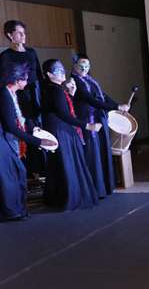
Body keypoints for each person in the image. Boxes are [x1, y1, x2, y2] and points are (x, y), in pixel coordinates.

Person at [41, 59, 100, 211]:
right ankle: (69, 197)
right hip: (61, 130)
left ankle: (58, 197)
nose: (62, 73)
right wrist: (87, 125)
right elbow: (64, 114)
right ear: (49, 74)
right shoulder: (55, 90)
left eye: (62, 69)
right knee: (66, 163)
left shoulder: (51, 88)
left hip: (58, 128)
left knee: (60, 164)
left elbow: (62, 110)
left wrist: (71, 94)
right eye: (58, 70)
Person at [0, 63, 54, 220]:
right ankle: (11, 212)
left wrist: (32, 130)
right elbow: (11, 126)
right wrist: (38, 141)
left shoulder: (11, 93)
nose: (27, 82)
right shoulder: (4, 95)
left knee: (18, 173)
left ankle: (17, 210)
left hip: (7, 138)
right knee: (10, 176)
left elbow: (19, 121)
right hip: (3, 140)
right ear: (17, 80)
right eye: (25, 79)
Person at [71, 54, 129, 197]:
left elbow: (102, 95)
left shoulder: (90, 80)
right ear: (74, 66)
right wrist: (115, 107)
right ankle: (96, 189)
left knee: (102, 151)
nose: (84, 68)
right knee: (93, 153)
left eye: (87, 65)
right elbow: (89, 99)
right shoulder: (74, 82)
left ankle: (106, 186)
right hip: (88, 120)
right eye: (81, 65)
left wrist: (117, 105)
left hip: (98, 118)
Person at [0, 20, 44, 175]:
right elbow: (4, 82)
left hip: (33, 96)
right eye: (19, 33)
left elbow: (38, 76)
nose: (24, 36)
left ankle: (39, 169)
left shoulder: (31, 52)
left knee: (37, 128)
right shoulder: (5, 56)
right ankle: (26, 170)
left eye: (24, 33)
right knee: (21, 129)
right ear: (10, 35)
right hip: (16, 98)